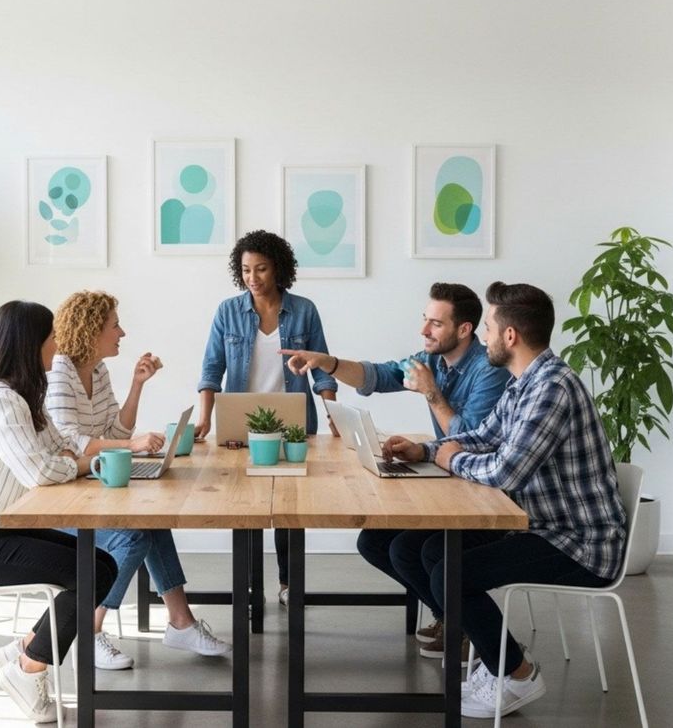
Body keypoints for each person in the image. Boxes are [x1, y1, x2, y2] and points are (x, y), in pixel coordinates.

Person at [382, 282, 627, 719]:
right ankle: (495, 657)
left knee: (450, 574)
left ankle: (517, 672)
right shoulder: (525, 382)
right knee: (414, 549)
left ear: (510, 336)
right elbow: (484, 437)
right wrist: (426, 451)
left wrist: (451, 458)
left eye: (490, 327)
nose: (486, 337)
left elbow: (504, 471)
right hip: (538, 524)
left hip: (579, 543)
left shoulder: (552, 389)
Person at [280, 282, 511, 658]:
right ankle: (450, 617)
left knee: (407, 548)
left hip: (485, 492)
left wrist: (432, 392)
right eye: (425, 320)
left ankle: (464, 626)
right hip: (450, 479)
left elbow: (471, 437)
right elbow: (380, 375)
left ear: (465, 330)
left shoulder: (489, 370)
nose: (424, 331)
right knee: (372, 541)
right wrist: (329, 364)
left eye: (435, 324)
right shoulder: (433, 359)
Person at [0, 300, 119, 723]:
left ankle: (26, 649)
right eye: (51, 337)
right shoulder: (1, 401)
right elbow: (40, 470)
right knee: (88, 572)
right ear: (29, 343)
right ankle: (28, 668)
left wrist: (70, 461)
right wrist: (79, 464)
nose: (58, 345)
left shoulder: (25, 397)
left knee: (102, 565)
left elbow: (60, 450)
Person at [47, 290, 231, 669]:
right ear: (91, 330)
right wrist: (130, 444)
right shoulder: (59, 373)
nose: (122, 332)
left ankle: (181, 622)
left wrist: (137, 384)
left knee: (152, 518)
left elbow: (114, 427)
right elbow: (71, 440)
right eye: (114, 325)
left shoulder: (96, 370)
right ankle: (89, 630)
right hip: (58, 501)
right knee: (132, 535)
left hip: (87, 485)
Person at [196, 229, 339, 606]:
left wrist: (332, 413)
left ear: (278, 269)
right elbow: (212, 369)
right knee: (246, 507)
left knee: (290, 509)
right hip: (241, 421)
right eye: (245, 270)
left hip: (294, 421)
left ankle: (289, 583)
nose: (253, 278)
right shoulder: (228, 312)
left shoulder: (304, 310)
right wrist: (205, 417)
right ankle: (248, 587)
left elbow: (321, 367)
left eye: (261, 269)